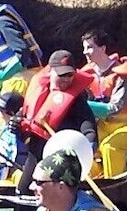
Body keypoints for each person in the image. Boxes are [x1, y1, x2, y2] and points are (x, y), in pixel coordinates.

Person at [13, 50, 98, 195]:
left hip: (60, 165)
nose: (66, 79)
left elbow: (90, 132)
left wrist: (85, 150)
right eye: (61, 74)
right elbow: (23, 119)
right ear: (50, 72)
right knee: (22, 195)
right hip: (36, 156)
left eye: (70, 75)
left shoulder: (77, 101)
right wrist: (16, 124)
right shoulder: (37, 92)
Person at [81, 30, 127, 179]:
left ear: (103, 48)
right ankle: (93, 181)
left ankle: (114, 186)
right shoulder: (89, 75)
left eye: (89, 47)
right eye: (84, 48)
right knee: (84, 146)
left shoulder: (121, 76)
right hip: (103, 125)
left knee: (109, 147)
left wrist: (85, 106)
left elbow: (116, 107)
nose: (86, 52)